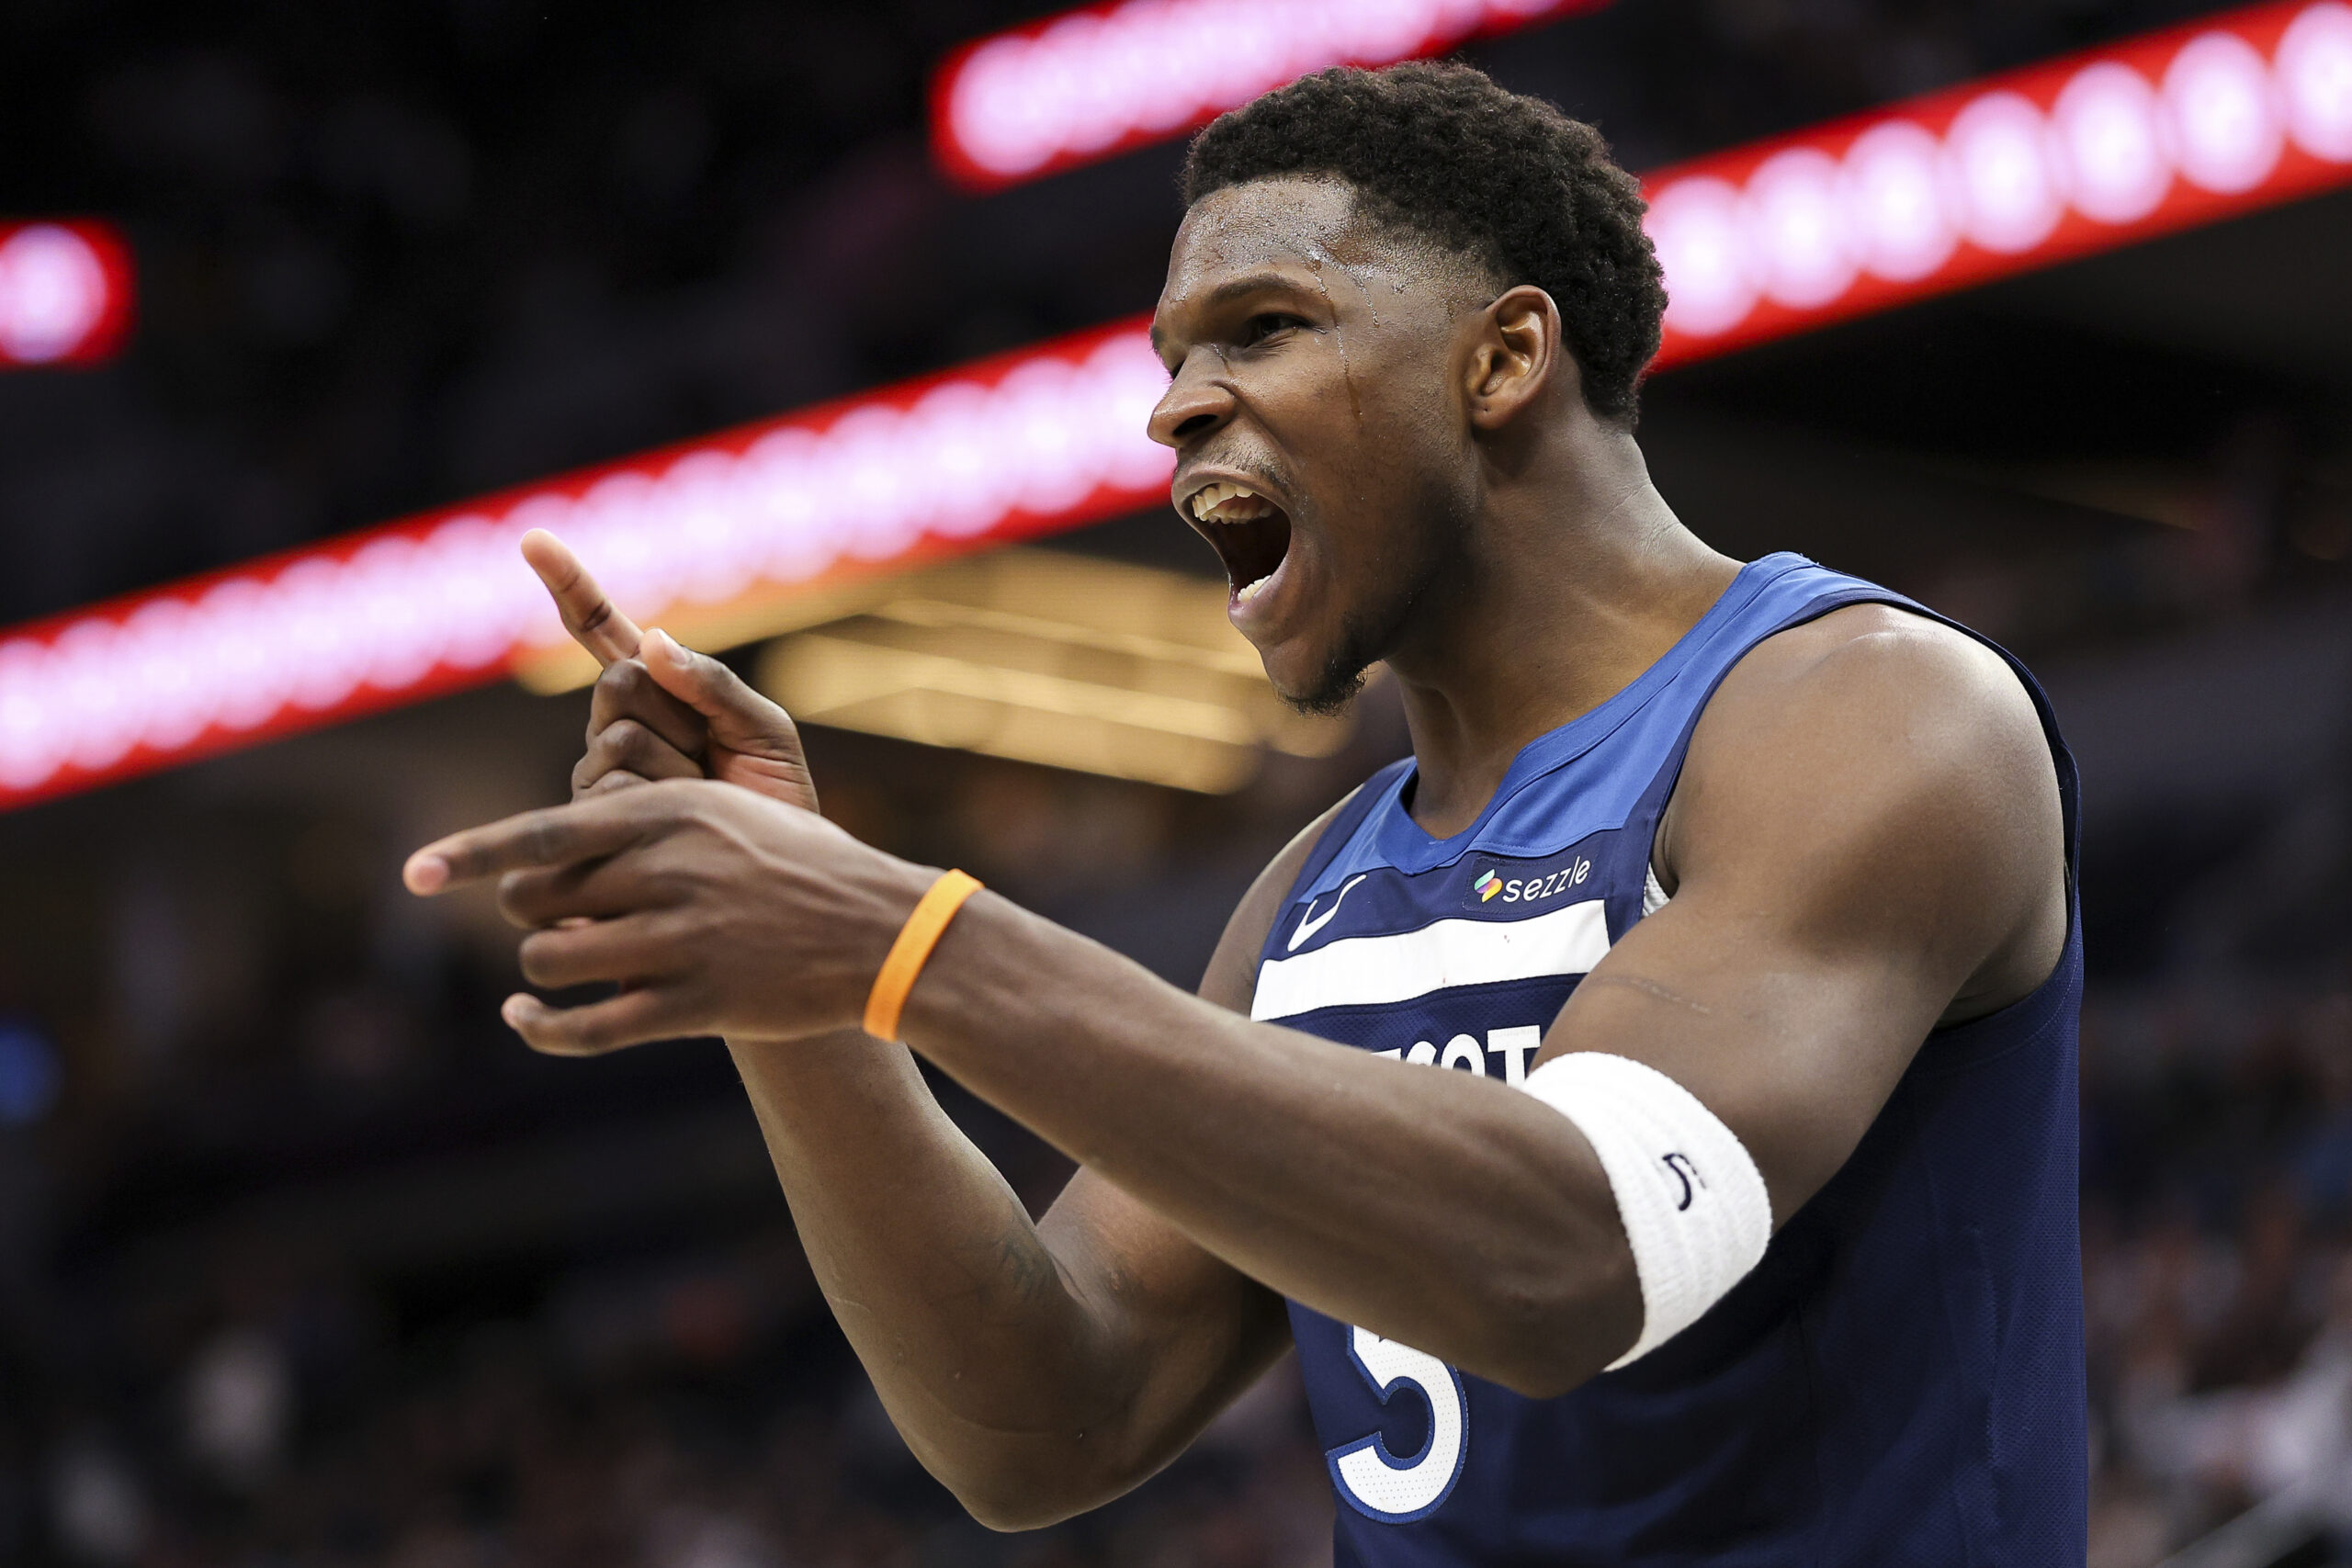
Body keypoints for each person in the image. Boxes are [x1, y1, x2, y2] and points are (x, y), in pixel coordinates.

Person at [406, 62, 2086, 1564]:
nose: (1174, 404)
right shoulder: (1319, 891)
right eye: (1171, 358)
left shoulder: (1865, 711)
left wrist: (899, 933)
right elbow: (1041, 1421)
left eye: (1263, 328)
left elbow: (1579, 1253)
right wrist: (810, 985)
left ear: (1503, 357)